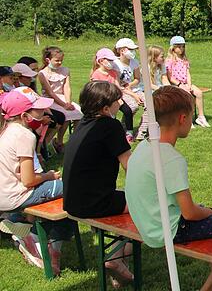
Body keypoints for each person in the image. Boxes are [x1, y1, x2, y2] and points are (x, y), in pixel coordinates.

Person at [126, 86, 212, 291]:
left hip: (147, 223)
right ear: (183, 118)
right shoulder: (171, 159)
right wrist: (210, 212)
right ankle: (208, 288)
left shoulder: (144, 147)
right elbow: (190, 213)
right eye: (191, 117)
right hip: (168, 229)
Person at [63, 81, 134, 284]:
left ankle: (120, 264)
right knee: (152, 207)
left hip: (72, 201)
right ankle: (117, 257)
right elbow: (130, 165)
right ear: (105, 108)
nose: (120, 103)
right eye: (117, 101)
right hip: (93, 202)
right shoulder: (110, 126)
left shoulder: (83, 123)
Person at [0, 87, 70, 274]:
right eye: (38, 110)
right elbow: (29, 180)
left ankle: (22, 226)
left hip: (5, 195)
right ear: (25, 116)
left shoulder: (7, 131)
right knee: (72, 190)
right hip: (16, 197)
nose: (44, 113)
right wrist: (49, 176)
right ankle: (47, 246)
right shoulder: (25, 135)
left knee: (62, 196)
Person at [38, 46, 83, 151]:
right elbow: (50, 92)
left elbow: (67, 87)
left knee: (79, 113)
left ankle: (75, 140)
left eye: (61, 60)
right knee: (65, 115)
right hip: (50, 99)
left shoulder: (65, 70)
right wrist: (64, 105)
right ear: (48, 60)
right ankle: (59, 141)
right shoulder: (43, 74)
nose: (59, 63)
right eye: (57, 60)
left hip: (63, 98)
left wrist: (68, 102)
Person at [91, 48, 136, 143]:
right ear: (101, 61)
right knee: (110, 117)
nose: (112, 62)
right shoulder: (96, 74)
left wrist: (120, 97)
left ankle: (129, 132)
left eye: (112, 60)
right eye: (110, 60)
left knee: (128, 111)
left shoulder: (113, 73)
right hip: (104, 100)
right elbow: (98, 91)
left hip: (115, 98)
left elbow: (117, 86)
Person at [166, 36, 210, 128]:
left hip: (186, 83)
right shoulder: (169, 61)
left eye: (183, 46)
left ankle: (201, 117)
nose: (181, 49)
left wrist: (189, 85)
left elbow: (188, 73)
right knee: (187, 95)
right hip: (175, 84)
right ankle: (187, 119)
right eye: (179, 46)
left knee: (199, 93)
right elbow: (170, 77)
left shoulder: (185, 60)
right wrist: (180, 85)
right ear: (173, 48)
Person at [135, 45, 169, 141]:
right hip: (146, 90)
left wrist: (168, 87)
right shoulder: (146, 68)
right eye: (162, 56)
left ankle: (161, 127)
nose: (164, 58)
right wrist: (160, 89)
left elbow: (164, 78)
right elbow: (148, 84)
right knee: (151, 105)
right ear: (154, 57)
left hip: (158, 88)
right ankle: (142, 131)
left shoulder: (162, 65)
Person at [113, 38, 145, 141]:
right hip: (122, 91)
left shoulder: (134, 62)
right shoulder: (115, 64)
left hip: (134, 89)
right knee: (132, 107)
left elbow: (137, 78)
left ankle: (142, 130)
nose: (133, 52)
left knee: (150, 104)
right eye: (130, 49)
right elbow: (118, 85)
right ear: (122, 50)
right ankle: (125, 128)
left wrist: (130, 85)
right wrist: (131, 93)